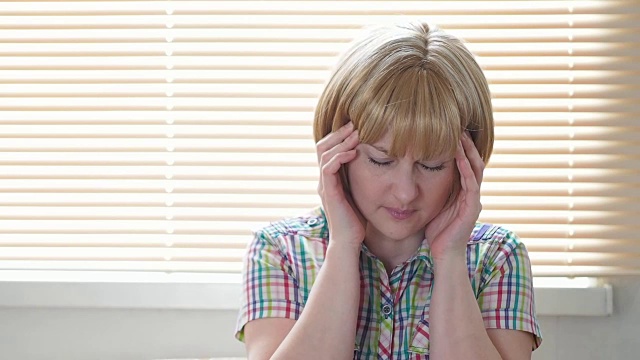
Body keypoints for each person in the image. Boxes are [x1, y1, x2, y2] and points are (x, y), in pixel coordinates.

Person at [235, 20, 542, 359]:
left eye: (432, 165)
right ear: (338, 151)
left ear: (466, 164)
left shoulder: (497, 257)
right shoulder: (280, 251)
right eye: (381, 161)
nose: (406, 192)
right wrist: (342, 246)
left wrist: (451, 258)